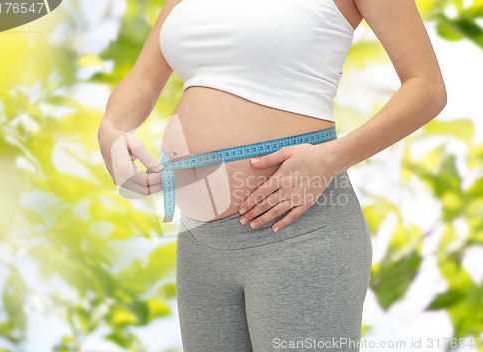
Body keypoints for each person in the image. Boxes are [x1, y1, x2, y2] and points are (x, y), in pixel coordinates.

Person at [97, 0, 447, 350]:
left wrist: (331, 157)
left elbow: (426, 87)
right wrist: (111, 130)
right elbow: (143, 78)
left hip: (299, 233)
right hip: (199, 242)